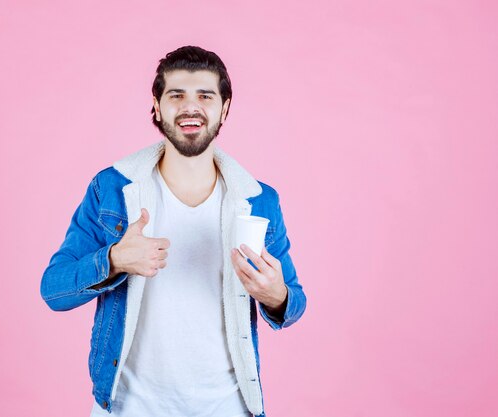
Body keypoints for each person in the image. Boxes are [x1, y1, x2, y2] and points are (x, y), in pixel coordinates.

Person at [40, 45, 307, 417]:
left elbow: (294, 302)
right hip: (128, 408)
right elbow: (54, 290)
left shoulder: (259, 200)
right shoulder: (112, 190)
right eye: (176, 95)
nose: (190, 107)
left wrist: (275, 295)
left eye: (205, 96)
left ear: (224, 108)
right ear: (157, 105)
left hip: (228, 408)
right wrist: (114, 260)